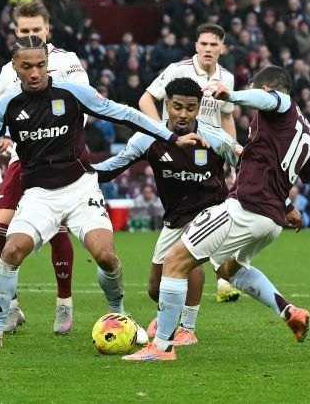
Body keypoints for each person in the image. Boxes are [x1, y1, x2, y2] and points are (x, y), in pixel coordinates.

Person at [0, 35, 202, 350]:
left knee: (106, 257)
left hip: (81, 190)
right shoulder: (7, 103)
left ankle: (120, 314)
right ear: (15, 67)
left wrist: (170, 137)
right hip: (39, 196)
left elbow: (124, 113)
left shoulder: (71, 92)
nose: (35, 73)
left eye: (40, 65)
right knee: (11, 252)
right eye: (27, 67)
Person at [126, 66, 310, 362]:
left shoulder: (279, 104)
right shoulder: (306, 136)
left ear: (266, 89)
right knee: (230, 269)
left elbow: (269, 99)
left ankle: (162, 347)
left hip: (244, 208)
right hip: (271, 222)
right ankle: (289, 311)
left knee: (175, 261)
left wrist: (231, 94)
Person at [0, 2, 88, 335]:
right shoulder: (11, 69)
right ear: (15, 32)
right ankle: (9, 306)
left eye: (36, 30)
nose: (30, 35)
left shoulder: (68, 62)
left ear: (47, 30)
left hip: (62, 158)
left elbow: (87, 104)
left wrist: (60, 138)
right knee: (0, 228)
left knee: (58, 229)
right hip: (23, 159)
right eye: (24, 31)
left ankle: (64, 303)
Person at [93, 77, 241, 347]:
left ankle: (187, 327)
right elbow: (113, 167)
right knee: (155, 288)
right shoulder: (148, 138)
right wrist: (80, 172)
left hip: (211, 212)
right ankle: (168, 317)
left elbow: (245, 162)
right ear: (166, 106)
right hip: (175, 216)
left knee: (186, 259)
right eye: (177, 107)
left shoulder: (215, 138)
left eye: (190, 108)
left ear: (199, 109)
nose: (183, 114)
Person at [138, 23, 243, 303]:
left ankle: (213, 290)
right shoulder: (177, 70)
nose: (208, 49)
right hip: (177, 153)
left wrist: (231, 157)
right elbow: (146, 99)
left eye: (213, 44)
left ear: (222, 48)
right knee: (184, 226)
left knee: (203, 223)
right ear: (196, 46)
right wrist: (162, 135)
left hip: (209, 156)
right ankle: (219, 274)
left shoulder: (226, 78)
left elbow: (226, 117)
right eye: (203, 44)